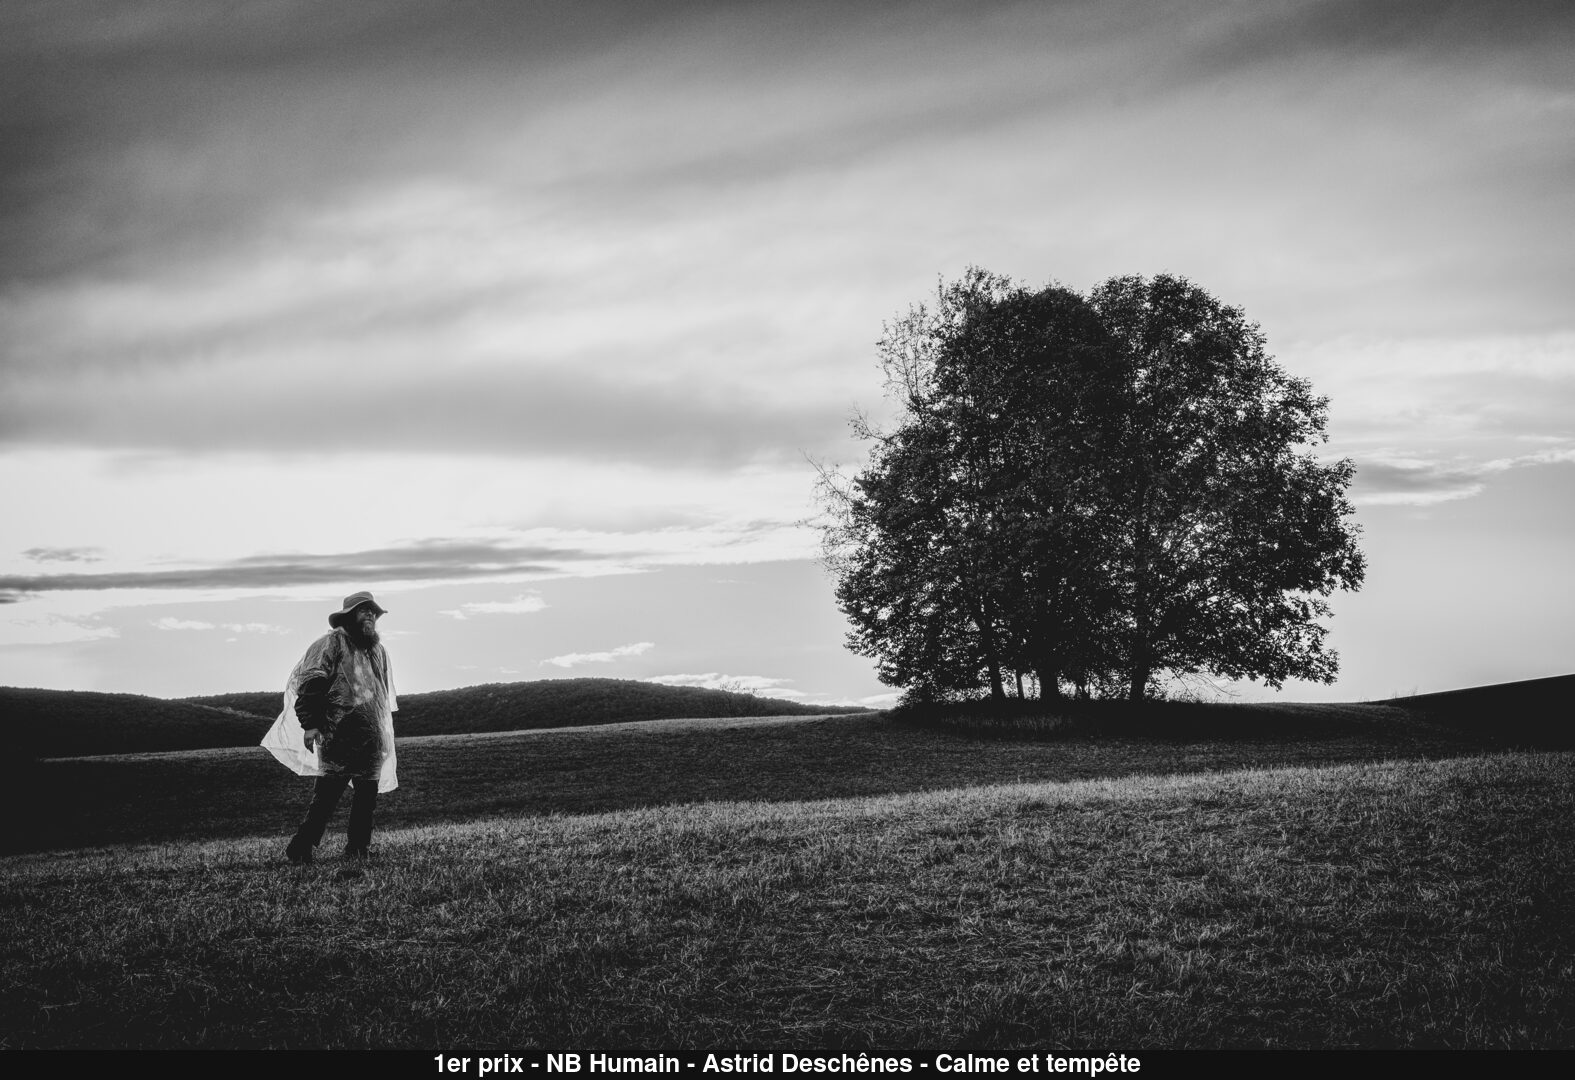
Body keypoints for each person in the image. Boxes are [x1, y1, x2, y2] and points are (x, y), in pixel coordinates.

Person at [261, 591, 398, 864]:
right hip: (338, 734)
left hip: (371, 737)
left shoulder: (377, 651)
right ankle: (301, 846)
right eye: (364, 610)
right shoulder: (330, 644)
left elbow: (381, 696)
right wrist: (310, 725)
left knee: (366, 795)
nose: (370, 614)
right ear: (349, 616)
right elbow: (310, 684)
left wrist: (382, 733)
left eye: (373, 611)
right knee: (327, 794)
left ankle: (358, 848)